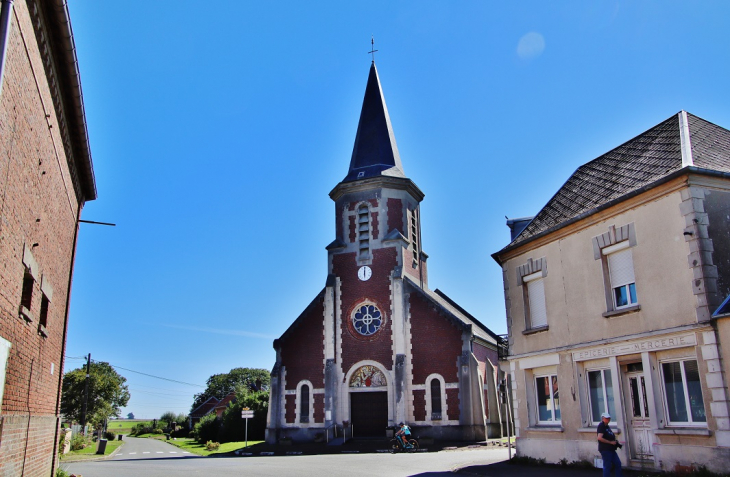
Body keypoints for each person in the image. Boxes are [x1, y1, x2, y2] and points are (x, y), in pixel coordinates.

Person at [597, 412, 622, 477]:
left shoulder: (607, 426)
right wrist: (610, 442)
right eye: (606, 418)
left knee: (618, 464)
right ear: (603, 419)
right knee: (607, 466)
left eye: (609, 418)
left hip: (611, 449)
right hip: (605, 450)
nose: (608, 419)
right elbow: (599, 438)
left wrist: (615, 442)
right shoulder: (601, 426)